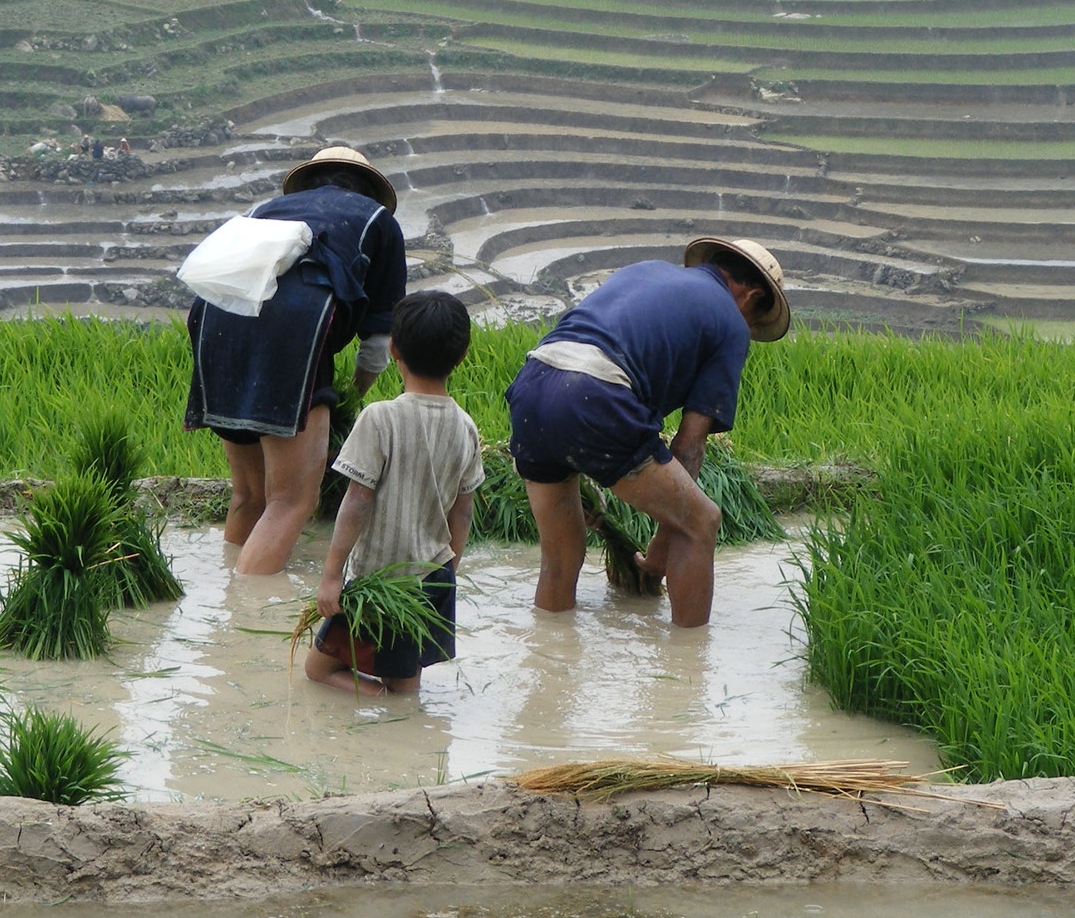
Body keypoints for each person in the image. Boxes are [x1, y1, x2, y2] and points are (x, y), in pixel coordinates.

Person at [503, 237, 791, 628]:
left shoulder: (646, 269)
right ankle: (686, 672)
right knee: (702, 522)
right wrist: (663, 542)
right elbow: (689, 446)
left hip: (532, 386)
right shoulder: (729, 320)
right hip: (594, 395)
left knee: (560, 556)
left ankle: (549, 659)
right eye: (753, 318)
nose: (748, 328)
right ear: (750, 295)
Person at [184, 145, 407, 574]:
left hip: (215, 323)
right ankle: (247, 616)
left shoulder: (267, 209)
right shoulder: (378, 220)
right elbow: (378, 344)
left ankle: (226, 602)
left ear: (311, 180)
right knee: (291, 501)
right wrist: (349, 396)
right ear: (370, 188)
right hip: (295, 328)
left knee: (249, 496)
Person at [306, 291, 483, 696]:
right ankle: (402, 726)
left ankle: (383, 705)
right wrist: (450, 572)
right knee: (406, 682)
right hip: (433, 576)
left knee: (319, 670)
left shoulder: (380, 417)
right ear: (463, 356)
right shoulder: (465, 426)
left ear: (393, 349)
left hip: (383, 578)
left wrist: (332, 575)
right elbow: (463, 511)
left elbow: (357, 500)